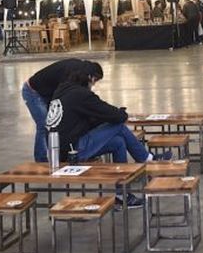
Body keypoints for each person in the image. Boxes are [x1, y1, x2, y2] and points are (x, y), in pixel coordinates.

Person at [47, 66, 160, 206]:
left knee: (118, 142)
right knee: (118, 126)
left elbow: (90, 117)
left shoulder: (62, 91)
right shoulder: (81, 95)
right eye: (95, 81)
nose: (94, 85)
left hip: (59, 150)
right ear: (90, 78)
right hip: (73, 151)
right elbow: (109, 113)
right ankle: (147, 159)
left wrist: (109, 117)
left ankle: (122, 196)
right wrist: (121, 114)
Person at [23, 59, 103, 162]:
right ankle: (41, 161)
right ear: (90, 75)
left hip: (48, 93)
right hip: (33, 92)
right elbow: (64, 97)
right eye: (94, 80)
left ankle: (57, 156)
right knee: (45, 125)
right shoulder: (70, 72)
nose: (93, 84)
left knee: (56, 123)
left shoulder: (80, 71)